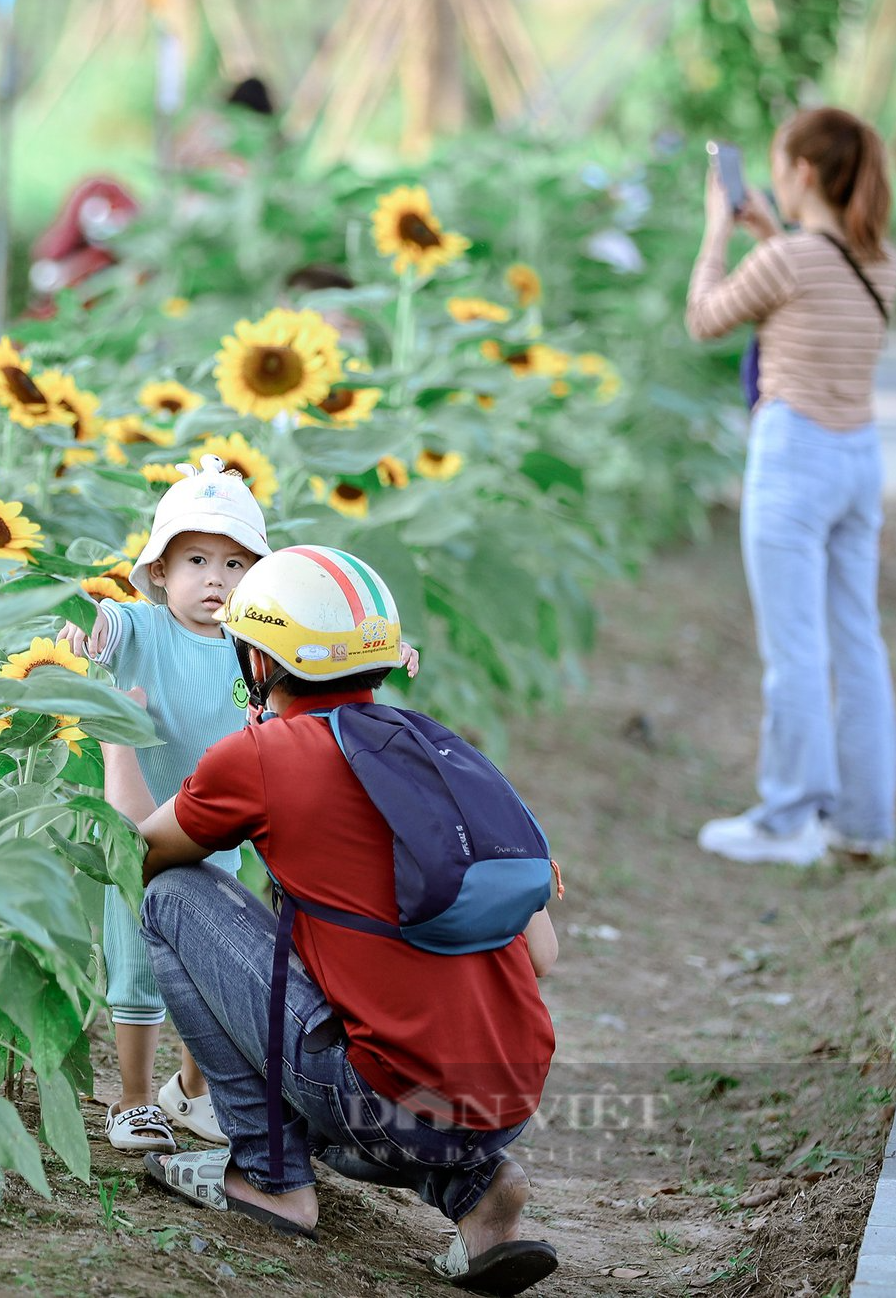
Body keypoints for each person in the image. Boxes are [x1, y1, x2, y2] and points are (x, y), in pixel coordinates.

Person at [130, 546, 559, 1297]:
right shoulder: (441, 752)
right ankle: (480, 1192)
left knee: (173, 901)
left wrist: (117, 735)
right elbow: (541, 953)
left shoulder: (263, 754)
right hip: (506, 1096)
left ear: (260, 660)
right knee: (395, 1040)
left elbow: (148, 852)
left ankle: (270, 1176)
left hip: (377, 1106)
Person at [686, 108, 896, 866]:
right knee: (857, 639)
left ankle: (787, 821)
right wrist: (767, 232)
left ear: (802, 172)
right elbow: (812, 286)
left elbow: (706, 317)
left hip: (794, 457)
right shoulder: (881, 260)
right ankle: (866, 822)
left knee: (796, 649)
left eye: (781, 162)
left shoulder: (791, 262)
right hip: (858, 457)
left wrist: (719, 228)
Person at [57, 456, 271, 1154]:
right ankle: (133, 1098)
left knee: (210, 972)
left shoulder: (255, 645)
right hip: (140, 832)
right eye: (198, 560)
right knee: (139, 968)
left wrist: (387, 646)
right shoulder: (142, 629)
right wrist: (81, 629)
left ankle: (195, 1092)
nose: (216, 578)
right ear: (159, 572)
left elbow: (328, 651)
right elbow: (99, 625)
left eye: (237, 564)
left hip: (222, 834)